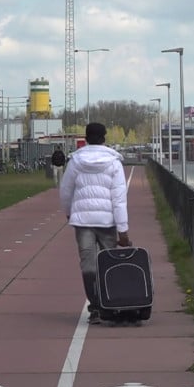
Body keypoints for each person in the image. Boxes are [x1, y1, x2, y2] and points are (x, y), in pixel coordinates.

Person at [59, 123, 130, 324]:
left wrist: (68, 213)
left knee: (88, 265)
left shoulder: (75, 161)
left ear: (87, 138)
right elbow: (119, 198)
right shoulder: (114, 163)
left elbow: (65, 191)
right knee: (109, 263)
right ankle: (112, 304)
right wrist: (123, 230)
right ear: (104, 138)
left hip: (83, 222)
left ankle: (95, 307)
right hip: (107, 222)